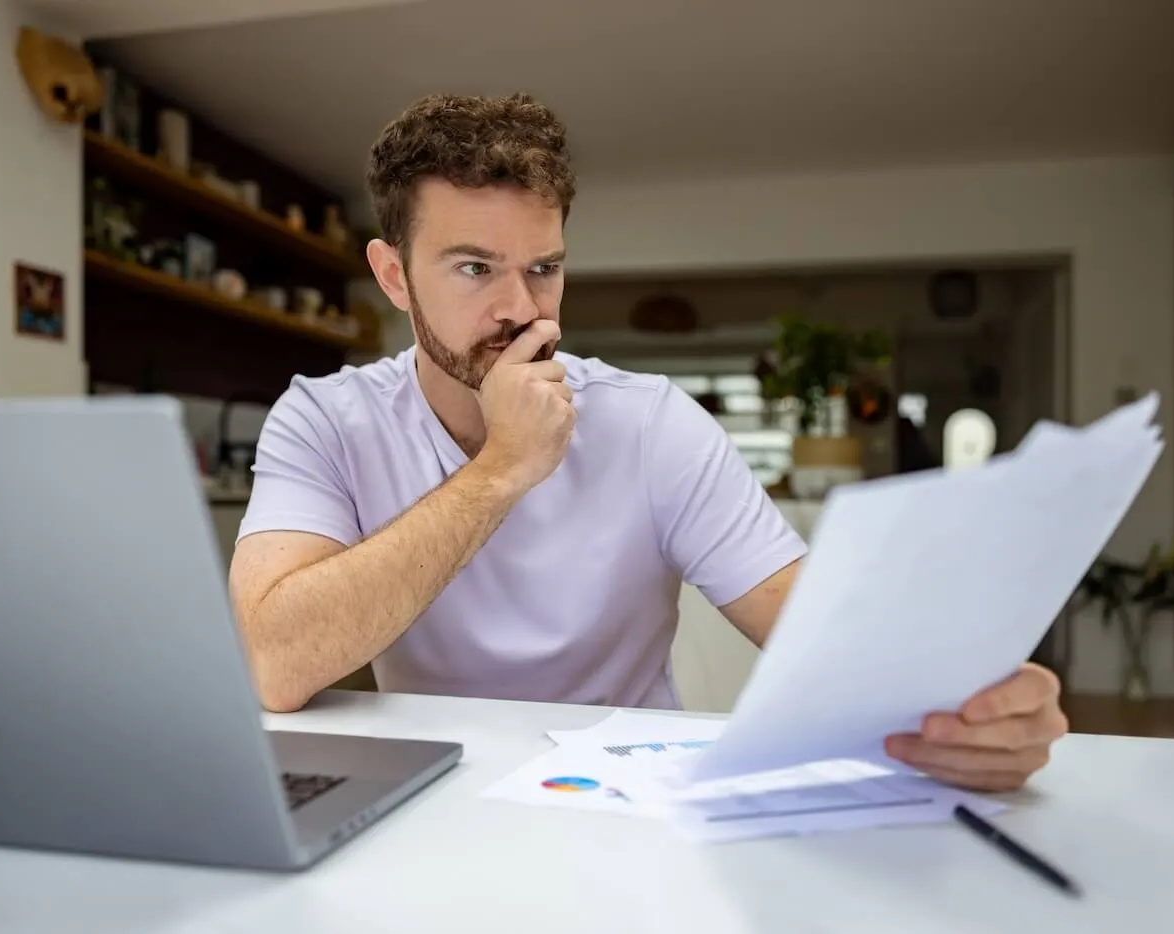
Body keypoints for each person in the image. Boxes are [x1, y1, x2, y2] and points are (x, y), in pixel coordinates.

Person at [228, 93, 1067, 792]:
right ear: (393, 275)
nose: (522, 308)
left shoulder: (652, 422)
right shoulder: (325, 419)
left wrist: (968, 697)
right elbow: (276, 662)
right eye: (475, 268)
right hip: (432, 791)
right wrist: (501, 471)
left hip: (627, 800)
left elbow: (815, 625)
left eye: (544, 268)